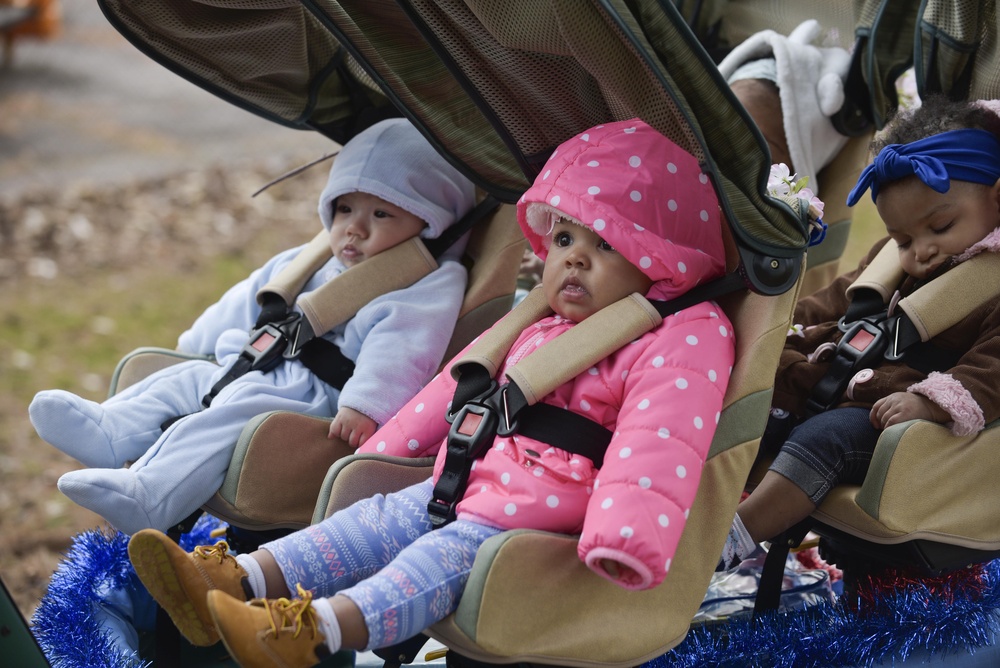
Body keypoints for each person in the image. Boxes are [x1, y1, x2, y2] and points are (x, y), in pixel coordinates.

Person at [127, 119, 736, 665]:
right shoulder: (541, 318)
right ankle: (236, 579)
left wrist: (622, 540)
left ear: (659, 261)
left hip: (539, 514)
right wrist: (382, 452)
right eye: (564, 241)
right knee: (365, 524)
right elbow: (458, 383)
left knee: (432, 562)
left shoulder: (680, 335)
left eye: (604, 245)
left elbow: (657, 441)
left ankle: (307, 633)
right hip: (462, 479)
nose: (575, 261)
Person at [27, 118, 477, 535]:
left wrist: (367, 404)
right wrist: (197, 341)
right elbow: (257, 293)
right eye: (344, 209)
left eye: (381, 214)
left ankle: (150, 495)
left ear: (430, 223)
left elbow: (406, 346)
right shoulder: (314, 260)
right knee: (182, 379)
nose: (354, 230)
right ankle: (109, 431)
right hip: (255, 363)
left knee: (230, 416)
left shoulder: (425, 282)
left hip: (313, 394)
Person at [719, 96, 1000, 570]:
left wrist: (932, 402)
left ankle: (729, 541)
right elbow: (839, 299)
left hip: (898, 423)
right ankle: (677, 506)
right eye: (904, 240)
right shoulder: (893, 260)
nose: (921, 251)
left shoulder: (990, 286)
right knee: (752, 400)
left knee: (825, 438)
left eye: (941, 226)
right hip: (833, 383)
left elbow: (994, 366)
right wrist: (775, 329)